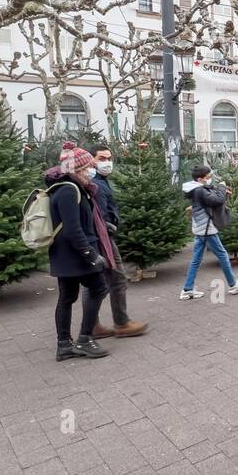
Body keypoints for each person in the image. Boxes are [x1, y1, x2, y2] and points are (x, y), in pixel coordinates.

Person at [45, 143, 111, 360]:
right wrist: (91, 255)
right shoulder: (67, 190)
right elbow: (73, 229)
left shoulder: (70, 187)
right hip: (76, 254)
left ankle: (64, 345)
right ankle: (84, 339)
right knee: (99, 288)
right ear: (75, 169)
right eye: (86, 169)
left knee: (67, 297)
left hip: (67, 254)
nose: (90, 172)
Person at [89, 145, 148, 339]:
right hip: (102, 238)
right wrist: (107, 227)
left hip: (102, 236)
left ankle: (94, 325)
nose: (107, 162)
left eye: (109, 158)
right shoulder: (94, 183)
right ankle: (121, 323)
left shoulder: (101, 180)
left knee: (97, 281)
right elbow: (96, 213)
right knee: (116, 278)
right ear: (92, 160)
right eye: (102, 158)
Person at [180, 163, 238, 300]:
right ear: (201, 179)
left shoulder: (196, 189)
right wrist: (222, 188)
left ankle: (188, 289)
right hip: (207, 229)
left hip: (200, 228)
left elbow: (210, 192)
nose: (210, 179)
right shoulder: (199, 191)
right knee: (223, 255)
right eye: (208, 177)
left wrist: (221, 190)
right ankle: (233, 285)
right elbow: (217, 200)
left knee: (196, 259)